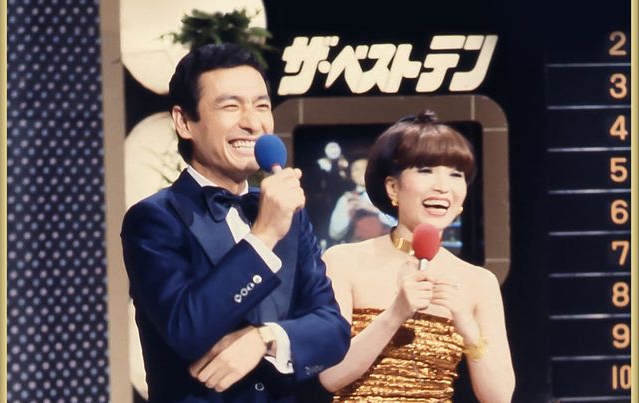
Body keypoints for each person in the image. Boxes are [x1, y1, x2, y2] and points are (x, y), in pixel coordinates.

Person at [121, 43, 350, 403]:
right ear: (184, 122)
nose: (253, 122)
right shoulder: (154, 219)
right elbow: (187, 329)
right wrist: (264, 235)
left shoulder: (288, 213)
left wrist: (266, 338)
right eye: (231, 106)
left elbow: (333, 329)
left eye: (261, 105)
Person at [319, 111, 515, 402]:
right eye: (426, 170)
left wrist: (467, 326)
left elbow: (499, 397)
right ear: (393, 187)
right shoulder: (343, 261)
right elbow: (331, 375)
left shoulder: (478, 281)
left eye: (456, 174)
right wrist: (396, 313)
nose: (443, 186)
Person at [328, 157, 395, 244]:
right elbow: (334, 234)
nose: (361, 172)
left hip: (387, 247)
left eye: (365, 168)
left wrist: (373, 209)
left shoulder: (389, 194)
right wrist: (347, 213)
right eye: (356, 169)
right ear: (351, 175)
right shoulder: (346, 199)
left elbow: (399, 225)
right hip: (359, 249)